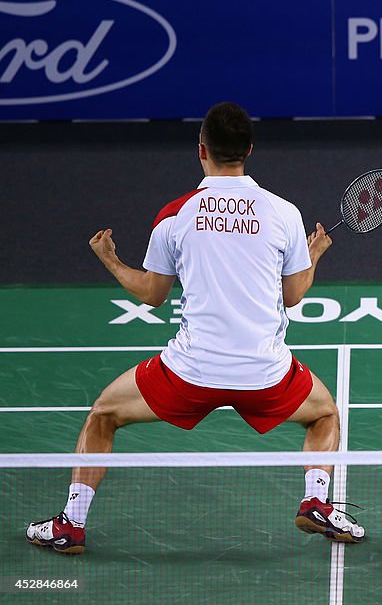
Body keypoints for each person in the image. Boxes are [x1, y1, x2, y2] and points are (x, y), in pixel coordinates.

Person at [26, 102, 364, 554]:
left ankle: (71, 524)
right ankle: (316, 500)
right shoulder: (284, 212)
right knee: (325, 415)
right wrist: (315, 252)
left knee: (103, 415)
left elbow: (151, 293)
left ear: (201, 150)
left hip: (188, 374)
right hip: (265, 374)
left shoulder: (175, 215)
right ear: (249, 149)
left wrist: (108, 258)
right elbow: (293, 295)